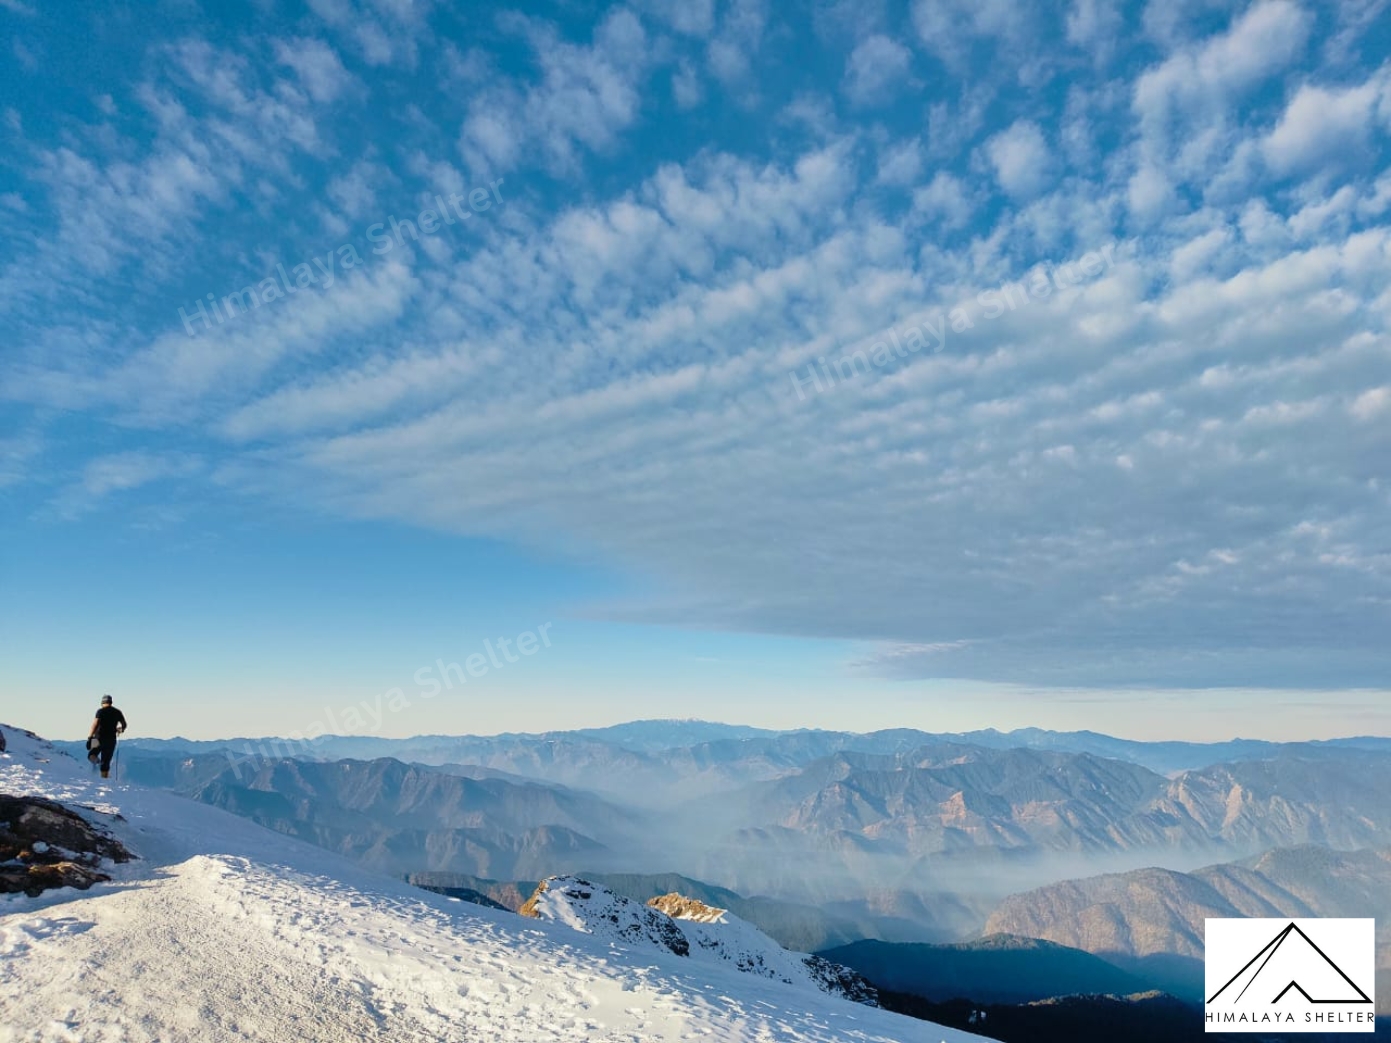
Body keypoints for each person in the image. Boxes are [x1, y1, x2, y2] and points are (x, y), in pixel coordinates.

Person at [88, 695, 127, 779]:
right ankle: (104, 779)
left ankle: (98, 763)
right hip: (111, 740)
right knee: (106, 763)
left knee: (91, 755)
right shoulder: (117, 712)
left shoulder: (100, 711)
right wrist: (120, 729)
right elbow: (124, 724)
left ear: (102, 703)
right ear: (111, 702)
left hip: (97, 738)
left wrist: (90, 737)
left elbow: (95, 724)